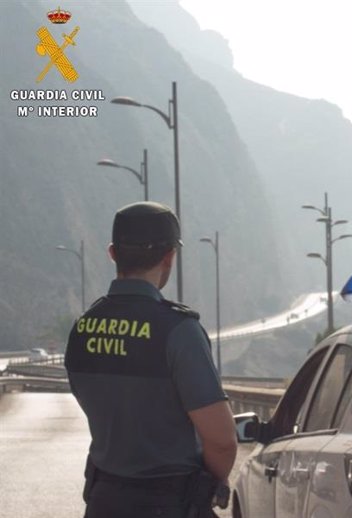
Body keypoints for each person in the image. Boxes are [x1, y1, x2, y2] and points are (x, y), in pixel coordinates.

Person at [64, 201, 237, 518]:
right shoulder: (178, 331)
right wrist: (213, 482)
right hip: (169, 503)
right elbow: (222, 440)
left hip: (102, 503)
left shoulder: (82, 328)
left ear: (113, 253)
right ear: (169, 257)